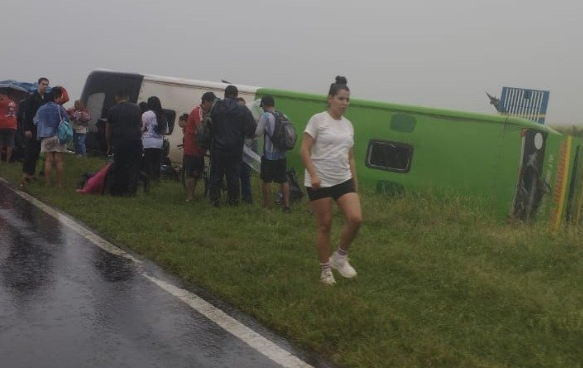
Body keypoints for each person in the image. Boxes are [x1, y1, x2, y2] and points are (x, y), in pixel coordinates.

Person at [300, 76, 362, 286]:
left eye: (347, 99)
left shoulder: (348, 125)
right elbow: (304, 149)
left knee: (356, 219)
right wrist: (314, 174)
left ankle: (339, 257)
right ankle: (325, 270)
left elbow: (350, 156)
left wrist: (355, 181)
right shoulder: (318, 120)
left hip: (342, 178)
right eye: (341, 98)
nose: (345, 103)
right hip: (320, 181)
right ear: (330, 99)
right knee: (325, 226)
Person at [208, 85, 257, 206]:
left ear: (225, 94)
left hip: (217, 148)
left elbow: (210, 125)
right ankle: (233, 201)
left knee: (216, 175)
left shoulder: (216, 107)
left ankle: (214, 201)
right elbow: (251, 129)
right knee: (233, 176)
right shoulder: (243, 109)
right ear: (236, 95)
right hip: (235, 148)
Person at [255, 95, 291, 212]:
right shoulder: (283, 115)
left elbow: (257, 132)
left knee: (266, 181)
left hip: (269, 155)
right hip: (282, 153)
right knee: (283, 180)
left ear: (264, 104)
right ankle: (286, 206)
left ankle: (267, 205)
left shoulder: (265, 116)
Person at [106, 90, 143, 196]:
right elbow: (140, 124)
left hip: (119, 142)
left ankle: (118, 190)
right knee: (134, 166)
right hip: (135, 141)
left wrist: (109, 145)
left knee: (119, 166)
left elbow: (108, 130)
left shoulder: (112, 110)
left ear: (117, 97)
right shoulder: (136, 108)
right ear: (127, 97)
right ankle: (131, 190)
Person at [184, 92, 216, 202]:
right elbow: (201, 128)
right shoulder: (198, 111)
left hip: (199, 149)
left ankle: (192, 195)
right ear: (206, 101)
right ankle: (189, 197)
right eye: (211, 103)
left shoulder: (207, 112)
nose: (212, 105)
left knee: (197, 173)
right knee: (192, 173)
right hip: (192, 147)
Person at [33, 90, 69, 187]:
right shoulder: (59, 108)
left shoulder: (41, 108)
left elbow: (35, 121)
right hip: (58, 136)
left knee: (48, 160)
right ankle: (59, 184)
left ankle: (47, 183)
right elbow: (67, 119)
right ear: (54, 98)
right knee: (58, 160)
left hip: (45, 136)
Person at [21, 77, 50, 185]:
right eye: (43, 84)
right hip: (31, 128)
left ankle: (31, 174)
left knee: (36, 152)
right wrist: (27, 129)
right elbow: (26, 115)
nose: (45, 86)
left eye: (47, 85)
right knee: (29, 151)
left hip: (41, 129)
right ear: (39, 84)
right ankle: (25, 174)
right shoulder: (32, 97)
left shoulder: (46, 99)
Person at [141, 96, 165, 181]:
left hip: (147, 142)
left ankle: (147, 180)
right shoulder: (162, 115)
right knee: (156, 162)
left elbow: (142, 128)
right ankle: (156, 179)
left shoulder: (146, 114)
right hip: (159, 142)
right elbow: (165, 130)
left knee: (147, 162)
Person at [237, 96, 255, 204]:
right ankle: (234, 198)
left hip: (246, 153)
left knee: (245, 176)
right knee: (234, 177)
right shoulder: (232, 118)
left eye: (243, 106)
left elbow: (254, 135)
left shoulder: (249, 118)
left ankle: (247, 199)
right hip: (235, 152)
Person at [0, 91, 17, 163]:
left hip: (2, 124)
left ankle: (0, 161)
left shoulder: (1, 102)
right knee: (10, 144)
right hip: (12, 126)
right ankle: (7, 161)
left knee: (0, 143)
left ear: (3, 95)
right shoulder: (13, 102)